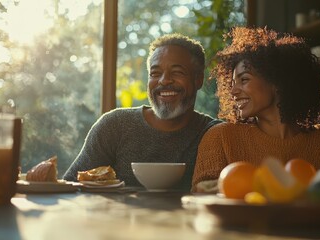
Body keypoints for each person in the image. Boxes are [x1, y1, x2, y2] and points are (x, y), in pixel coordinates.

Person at [191, 27, 320, 192]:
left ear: (278, 81)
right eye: (232, 84)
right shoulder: (220, 137)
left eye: (244, 79)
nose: (233, 91)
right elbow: (200, 195)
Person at [63, 33, 221, 191]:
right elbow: (71, 187)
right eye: (155, 73)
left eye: (177, 72)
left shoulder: (213, 134)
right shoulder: (115, 125)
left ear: (198, 79)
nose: (164, 80)